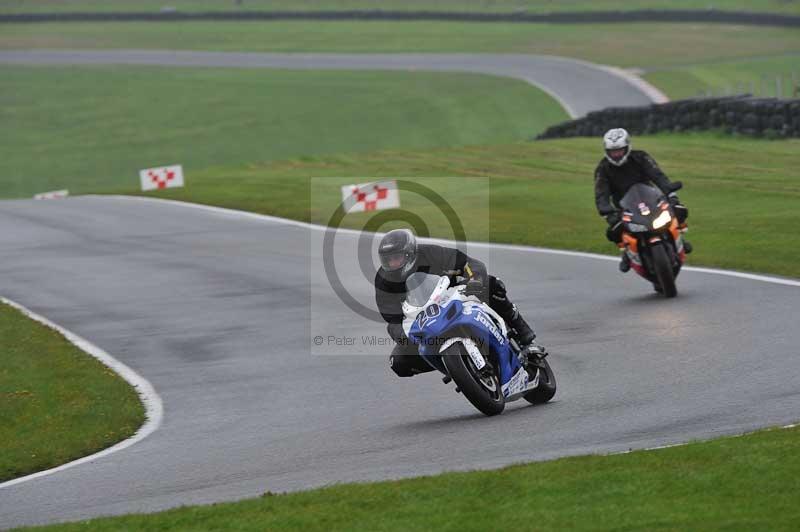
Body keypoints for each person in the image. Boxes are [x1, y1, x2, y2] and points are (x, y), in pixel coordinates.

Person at [374, 229, 543, 378]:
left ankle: (524, 336)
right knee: (398, 362)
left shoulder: (432, 253)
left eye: (396, 258)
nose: (392, 264)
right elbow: (392, 318)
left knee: (493, 284)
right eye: (388, 260)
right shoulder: (384, 280)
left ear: (409, 253)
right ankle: (454, 367)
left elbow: (469, 263)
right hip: (424, 318)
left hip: (454, 295)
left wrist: (475, 280)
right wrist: (404, 337)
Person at [594, 128, 691, 272]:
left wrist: (669, 190)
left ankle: (680, 237)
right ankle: (627, 253)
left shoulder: (641, 157)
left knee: (679, 209)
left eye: (619, 150)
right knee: (613, 230)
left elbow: (657, 174)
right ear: (606, 151)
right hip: (624, 208)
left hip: (651, 199)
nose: (616, 155)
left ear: (627, 147)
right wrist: (605, 209)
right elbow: (601, 192)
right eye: (612, 152)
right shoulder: (603, 169)